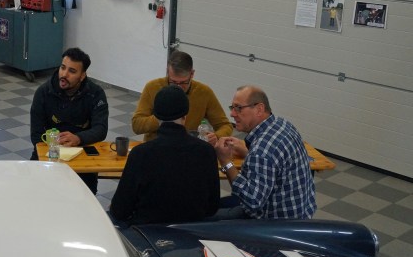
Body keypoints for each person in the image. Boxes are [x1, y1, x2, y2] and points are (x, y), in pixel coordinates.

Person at [109, 85, 220, 225]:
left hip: (147, 231)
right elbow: (212, 207)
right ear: (185, 115)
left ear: (156, 116)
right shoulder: (206, 151)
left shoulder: (141, 154)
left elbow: (120, 210)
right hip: (192, 230)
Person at [214, 85, 316, 219]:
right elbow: (274, 163)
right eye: (232, 107)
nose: (232, 114)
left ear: (259, 109)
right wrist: (248, 153)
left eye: (238, 108)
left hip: (275, 223)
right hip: (301, 213)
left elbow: (251, 202)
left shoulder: (261, 151)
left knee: (204, 216)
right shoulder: (282, 124)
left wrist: (226, 162)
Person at [30, 47, 108, 193]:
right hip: (49, 152)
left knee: (85, 196)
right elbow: (36, 135)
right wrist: (54, 150)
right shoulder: (43, 92)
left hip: (82, 153)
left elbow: (101, 129)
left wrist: (78, 138)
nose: (64, 74)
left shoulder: (95, 94)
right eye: (63, 67)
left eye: (72, 71)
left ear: (82, 75)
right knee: (37, 193)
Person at [132, 50, 232, 143]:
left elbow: (225, 125)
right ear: (167, 72)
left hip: (188, 148)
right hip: (156, 147)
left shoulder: (204, 92)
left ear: (192, 74)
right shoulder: (152, 87)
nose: (178, 87)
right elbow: (137, 125)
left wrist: (217, 136)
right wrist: (163, 118)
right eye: (173, 82)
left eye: (183, 82)